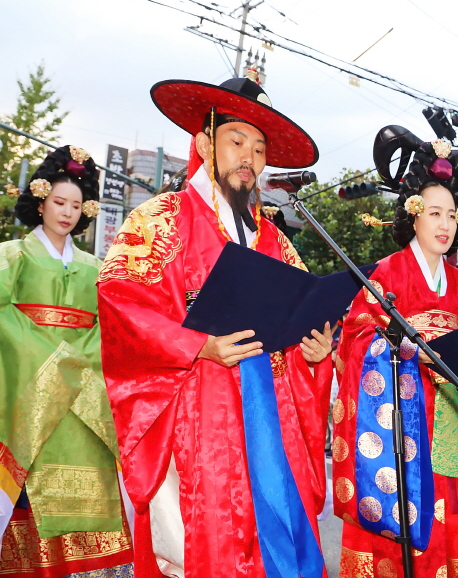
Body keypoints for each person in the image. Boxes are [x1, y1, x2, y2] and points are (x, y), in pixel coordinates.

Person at [98, 76, 335, 577]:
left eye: (259, 148)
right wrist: (199, 344)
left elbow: (297, 316)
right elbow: (121, 304)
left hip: (272, 415)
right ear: (205, 144)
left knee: (275, 534)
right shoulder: (160, 220)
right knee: (207, 539)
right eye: (236, 141)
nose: (248, 157)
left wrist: (314, 353)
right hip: (198, 410)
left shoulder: (275, 239)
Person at [332, 137, 458, 578]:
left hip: (454, 421)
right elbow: (357, 338)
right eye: (434, 213)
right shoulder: (387, 273)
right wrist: (403, 350)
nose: (445, 225)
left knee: (457, 520)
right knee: (405, 524)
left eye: (452, 215)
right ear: (414, 215)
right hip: (402, 424)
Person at [0, 146, 133, 576]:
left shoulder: (96, 266)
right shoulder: (13, 255)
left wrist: (81, 364)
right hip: (26, 388)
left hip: (82, 394)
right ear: (40, 202)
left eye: (76, 205)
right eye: (59, 202)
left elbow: (107, 326)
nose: (67, 212)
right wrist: (49, 360)